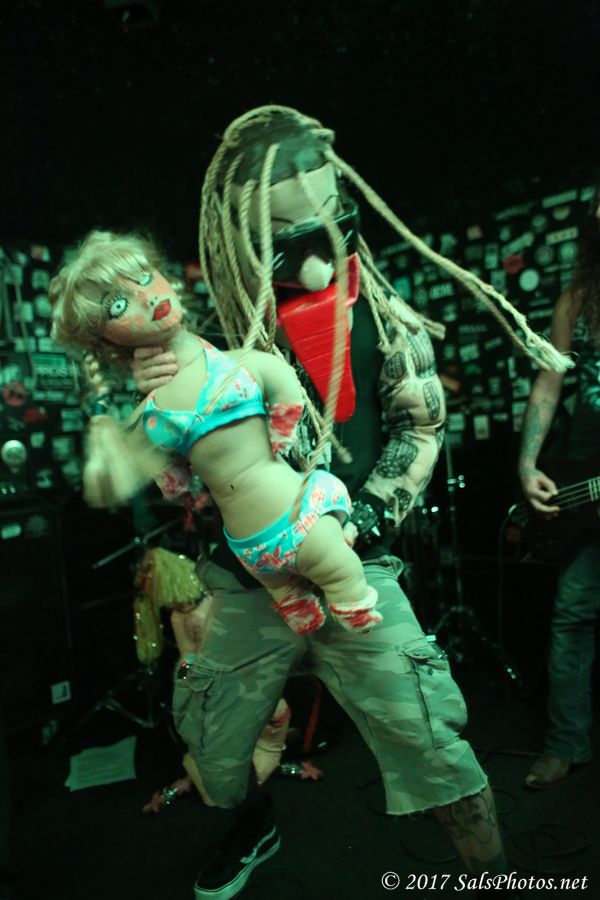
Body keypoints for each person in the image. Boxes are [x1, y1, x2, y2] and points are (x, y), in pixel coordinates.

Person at [129, 106, 570, 899]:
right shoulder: (211, 334)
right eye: (285, 234)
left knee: (432, 741)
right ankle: (251, 826)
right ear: (243, 236)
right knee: (211, 740)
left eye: (328, 221)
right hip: (246, 577)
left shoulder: (385, 316)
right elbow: (175, 458)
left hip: (353, 570)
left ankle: (495, 881)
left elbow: (419, 424)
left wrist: (363, 519)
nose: (314, 251)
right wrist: (158, 403)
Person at [49, 230, 381, 635]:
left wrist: (282, 422)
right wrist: (171, 475)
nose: (147, 298)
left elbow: (272, 373)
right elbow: (139, 469)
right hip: (244, 551)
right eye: (119, 306)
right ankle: (298, 603)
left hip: (303, 518)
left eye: (145, 278)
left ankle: (342, 600)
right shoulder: (156, 404)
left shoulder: (235, 359)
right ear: (104, 338)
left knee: (340, 576)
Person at [518, 188, 600, 789]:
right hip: (585, 483)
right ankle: (565, 743)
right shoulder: (578, 298)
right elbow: (549, 384)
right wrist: (527, 463)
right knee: (572, 614)